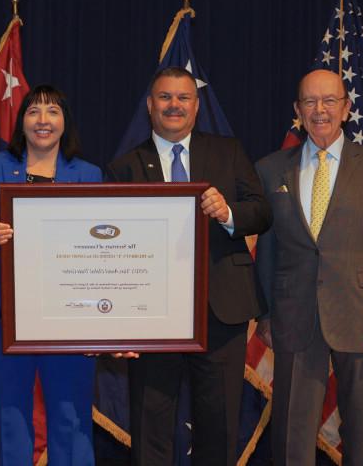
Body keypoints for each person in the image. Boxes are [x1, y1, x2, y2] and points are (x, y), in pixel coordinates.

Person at [106, 67, 272, 466]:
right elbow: (113, 251)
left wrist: (228, 212)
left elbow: (262, 212)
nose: (174, 105)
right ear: (150, 106)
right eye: (165, 97)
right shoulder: (125, 166)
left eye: (183, 98)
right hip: (151, 316)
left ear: (197, 107)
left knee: (219, 424)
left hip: (221, 310)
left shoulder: (227, 152)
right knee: (151, 425)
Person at [254, 68, 363, 466]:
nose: (319, 110)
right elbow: (267, 251)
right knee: (292, 436)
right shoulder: (271, 169)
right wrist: (265, 313)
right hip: (295, 319)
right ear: (298, 109)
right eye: (310, 101)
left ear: (345, 109)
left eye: (329, 101)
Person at [0, 84, 101, 465]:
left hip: (71, 314)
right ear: (21, 122)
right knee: (10, 415)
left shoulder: (88, 174)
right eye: (33, 111)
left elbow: (103, 245)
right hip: (2, 312)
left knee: (71, 415)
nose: (42, 120)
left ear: (64, 122)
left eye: (52, 111)